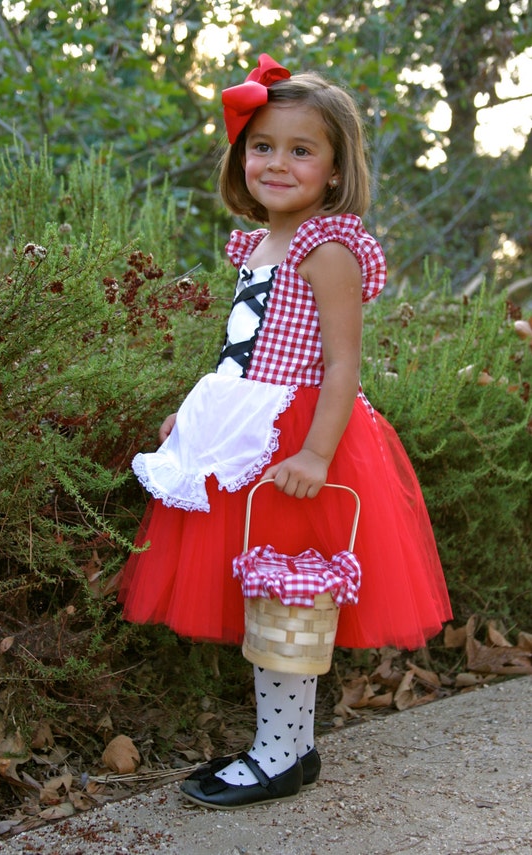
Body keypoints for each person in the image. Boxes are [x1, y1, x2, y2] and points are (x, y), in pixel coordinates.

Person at [118, 53, 452, 810]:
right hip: (247, 436)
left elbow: (341, 366)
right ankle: (288, 748)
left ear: (335, 169)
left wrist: (316, 451)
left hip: (300, 443)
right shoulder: (259, 241)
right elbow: (245, 343)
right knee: (267, 593)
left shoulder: (325, 247)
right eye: (263, 145)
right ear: (242, 156)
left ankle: (280, 752)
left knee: (289, 594)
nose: (277, 162)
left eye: (301, 150)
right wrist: (194, 410)